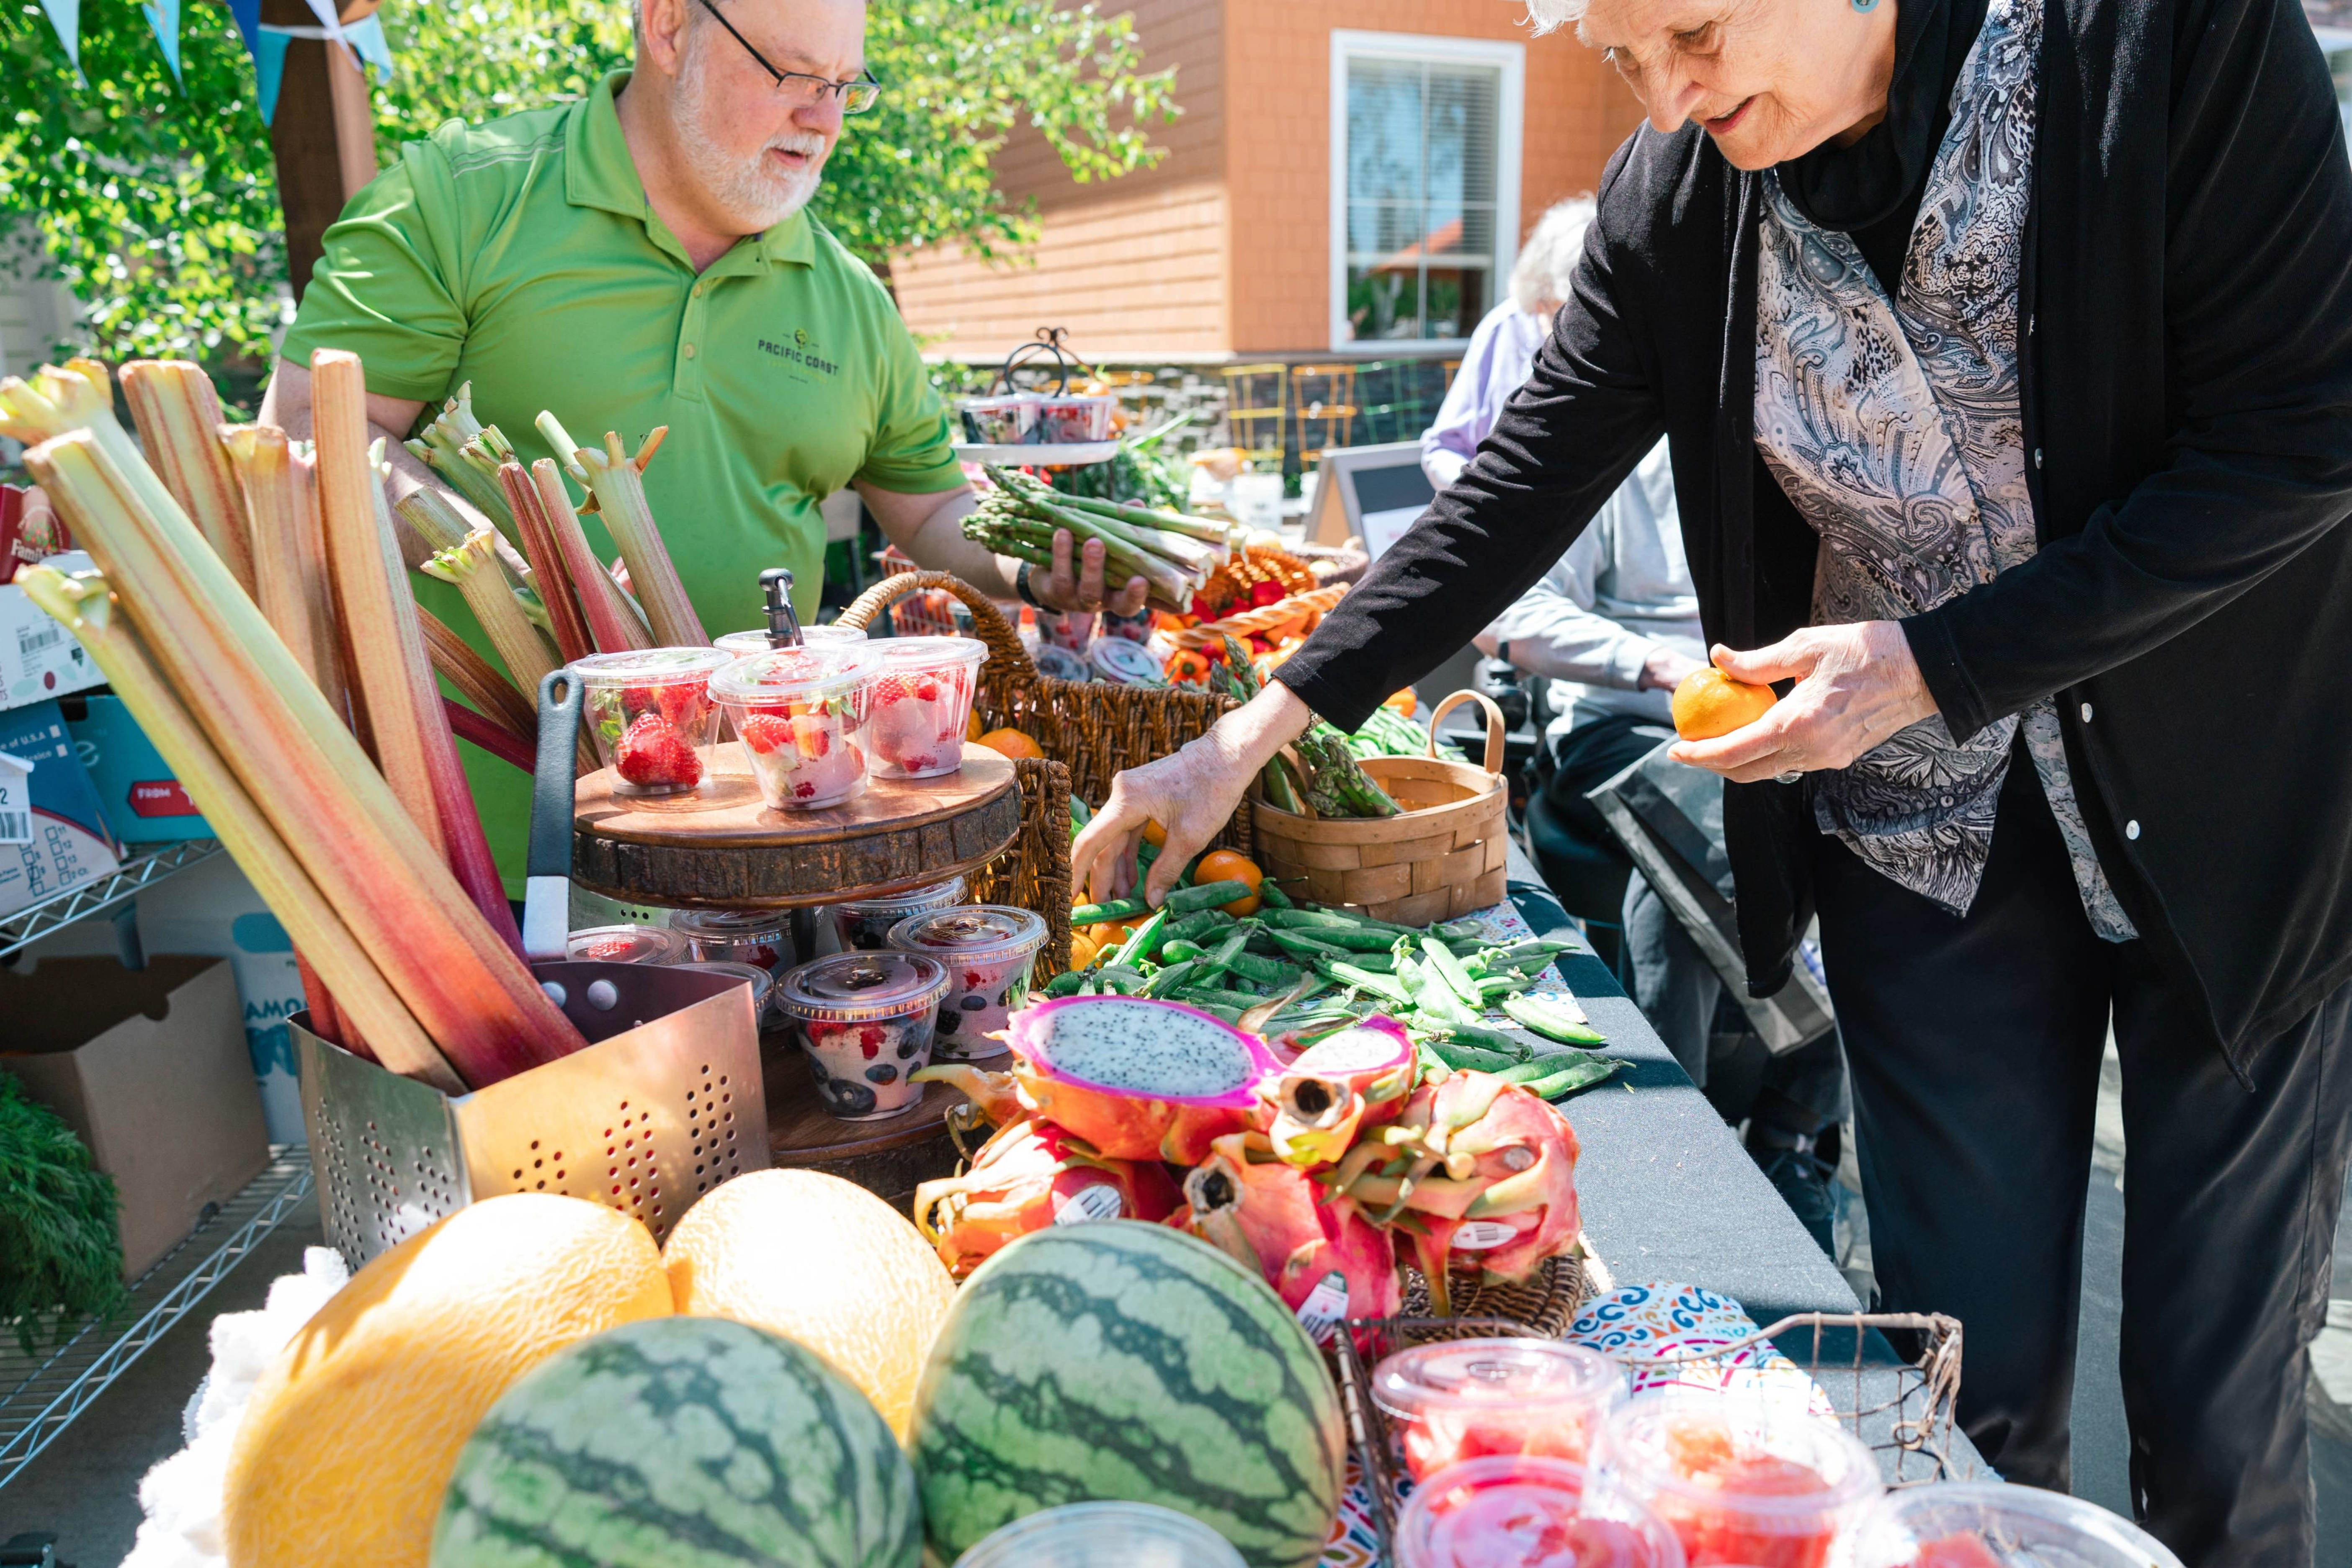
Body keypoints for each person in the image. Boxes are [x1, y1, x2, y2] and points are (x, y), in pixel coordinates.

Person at [1075, 0, 2352, 1558]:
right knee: (1964, 1408)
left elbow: (2298, 440)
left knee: (2212, 1419)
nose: (1670, 100)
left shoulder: (2164, 40)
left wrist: (1926, 666)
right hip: (1920, 850)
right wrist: (1237, 741)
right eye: (1623, 59)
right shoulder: (1679, 195)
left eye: (1690, 30)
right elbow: (1506, 495)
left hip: (2233, 823)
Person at [259, 0, 1141, 883]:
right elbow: (311, 433)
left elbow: (933, 507)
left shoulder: (849, 300)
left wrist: (1035, 565)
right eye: (793, 73)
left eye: (845, 86)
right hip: (474, 857)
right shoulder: (460, 196)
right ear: (670, 26)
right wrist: (513, 559)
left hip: (762, 863)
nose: (824, 118)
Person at [1439, 199, 1848, 1254]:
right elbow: (1512, 605)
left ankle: (1789, 1132)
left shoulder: (1752, 413)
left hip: (1771, 697)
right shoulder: (1579, 432)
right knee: (1692, 850)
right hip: (1623, 710)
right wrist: (1660, 663)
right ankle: (1686, 1157)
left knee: (1870, 834)